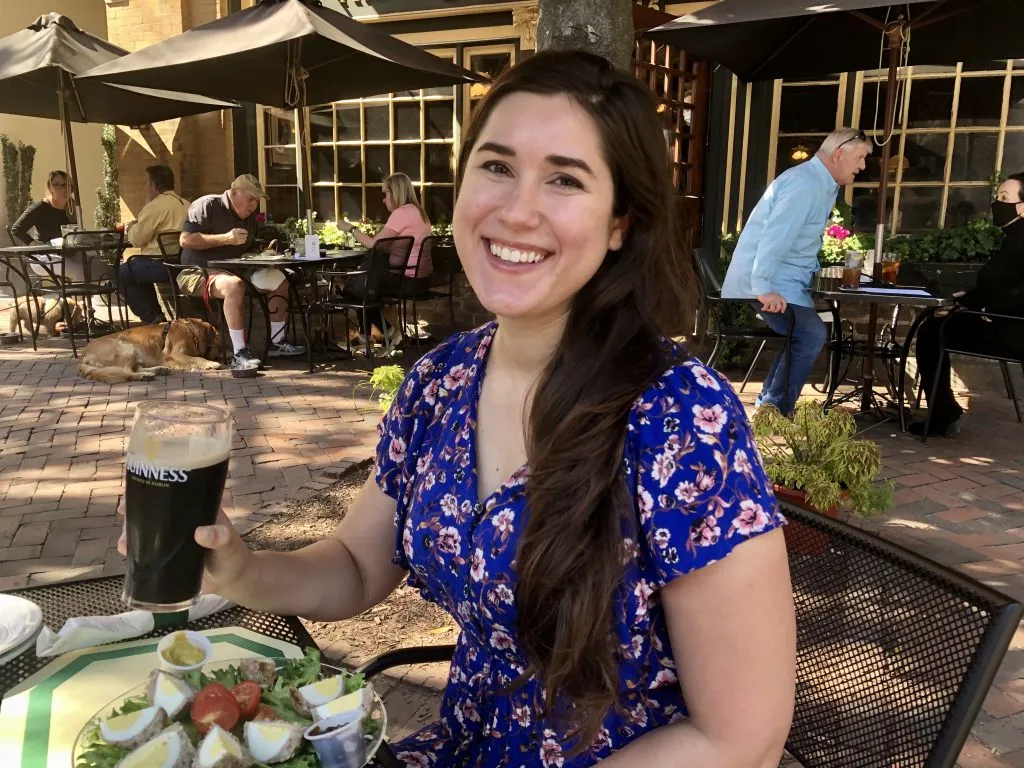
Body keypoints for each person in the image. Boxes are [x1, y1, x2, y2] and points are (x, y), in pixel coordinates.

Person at [121, 51, 795, 766]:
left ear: (620, 222)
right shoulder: (442, 381)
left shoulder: (681, 419)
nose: (517, 209)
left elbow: (740, 735)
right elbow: (354, 564)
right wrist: (242, 569)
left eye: (565, 179)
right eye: (497, 167)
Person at [722, 128, 872, 415]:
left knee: (806, 331)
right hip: (768, 283)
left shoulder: (821, 184)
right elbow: (775, 237)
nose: (863, 166)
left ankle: (771, 406)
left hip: (785, 282)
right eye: (861, 157)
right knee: (811, 333)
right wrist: (764, 287)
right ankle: (775, 411)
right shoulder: (805, 184)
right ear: (838, 153)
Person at [911, 174, 1024, 437]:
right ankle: (944, 412)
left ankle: (944, 415)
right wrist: (970, 299)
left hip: (1011, 331)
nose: (997, 204)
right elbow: (1001, 283)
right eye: (997, 197)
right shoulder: (1014, 237)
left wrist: (991, 309)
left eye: (1005, 199)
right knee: (935, 327)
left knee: (931, 333)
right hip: (1001, 321)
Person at [177, 174, 304, 369]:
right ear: (234, 192)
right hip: (197, 272)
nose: (254, 204)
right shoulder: (206, 205)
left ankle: (276, 342)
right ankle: (239, 354)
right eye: (251, 199)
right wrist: (226, 238)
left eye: (257, 200)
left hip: (237, 270)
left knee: (280, 279)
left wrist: (263, 253)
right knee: (234, 285)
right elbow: (185, 240)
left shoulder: (248, 217)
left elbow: (247, 248)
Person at [340, 172, 432, 348]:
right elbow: (388, 245)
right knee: (365, 284)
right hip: (421, 280)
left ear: (395, 192)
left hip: (407, 281)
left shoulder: (402, 213)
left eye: (385, 194)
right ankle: (370, 336)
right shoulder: (419, 212)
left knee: (359, 288)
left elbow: (373, 244)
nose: (383, 200)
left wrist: (351, 229)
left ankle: (384, 333)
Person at [117, 165, 190, 324]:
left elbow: (136, 239)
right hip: (181, 262)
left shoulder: (155, 207)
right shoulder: (186, 204)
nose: (146, 188)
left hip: (159, 264)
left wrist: (130, 227)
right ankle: (155, 316)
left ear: (154, 185)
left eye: (147, 183)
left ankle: (152, 318)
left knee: (118, 273)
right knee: (135, 269)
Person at [10, 170, 70, 246]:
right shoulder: (40, 207)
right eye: (57, 185)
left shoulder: (73, 208)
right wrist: (33, 243)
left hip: (69, 252)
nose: (63, 188)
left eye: (66, 185)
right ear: (50, 187)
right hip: (46, 254)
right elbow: (17, 229)